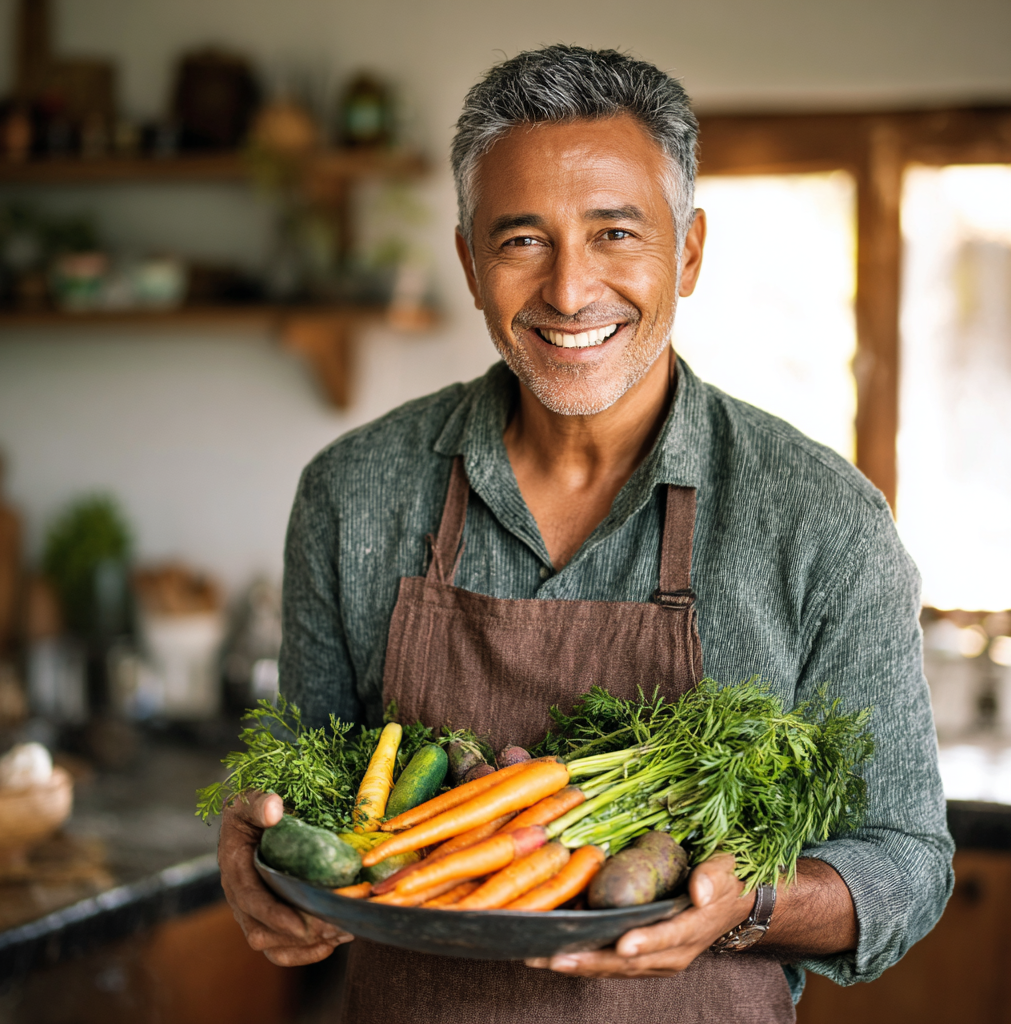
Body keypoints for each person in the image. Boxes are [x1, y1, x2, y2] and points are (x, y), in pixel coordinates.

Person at [219, 45, 954, 1023]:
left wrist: (751, 901)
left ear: (688, 252)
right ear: (469, 262)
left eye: (614, 232)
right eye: (522, 240)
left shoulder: (823, 522)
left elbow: (905, 856)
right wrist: (262, 852)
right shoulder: (355, 495)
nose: (569, 292)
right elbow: (312, 803)